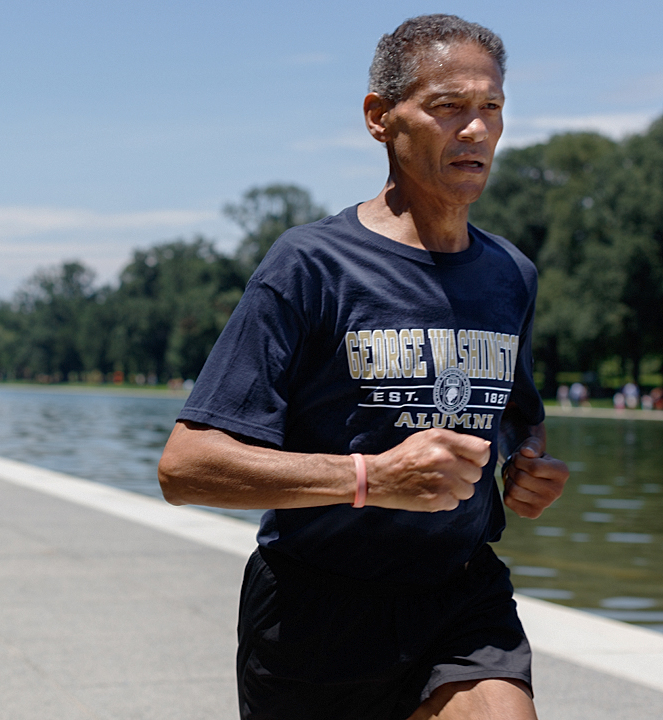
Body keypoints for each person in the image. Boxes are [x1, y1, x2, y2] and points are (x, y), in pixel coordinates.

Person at [158, 14, 569, 720]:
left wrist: (528, 464)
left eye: (491, 107)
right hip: (316, 611)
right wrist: (371, 479)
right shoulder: (310, 265)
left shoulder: (512, 275)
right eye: (448, 107)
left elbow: (516, 415)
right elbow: (186, 466)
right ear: (380, 118)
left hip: (460, 595)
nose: (475, 130)